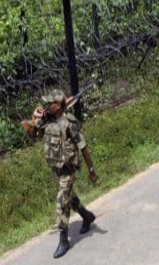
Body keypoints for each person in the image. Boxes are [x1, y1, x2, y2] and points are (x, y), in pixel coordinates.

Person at [31, 90, 99, 259]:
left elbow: (83, 147)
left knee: (62, 202)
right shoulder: (47, 121)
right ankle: (87, 216)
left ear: (59, 105)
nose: (47, 106)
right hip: (56, 169)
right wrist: (34, 119)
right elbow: (32, 136)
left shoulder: (70, 124)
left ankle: (64, 240)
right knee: (70, 197)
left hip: (69, 170)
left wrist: (92, 170)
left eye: (50, 104)